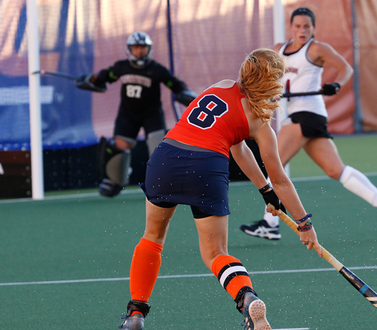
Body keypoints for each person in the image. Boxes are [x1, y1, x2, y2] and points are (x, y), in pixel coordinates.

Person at [117, 48, 323, 330]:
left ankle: (135, 316)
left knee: (152, 238)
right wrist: (304, 223)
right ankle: (247, 297)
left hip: (166, 158)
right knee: (215, 253)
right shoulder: (260, 124)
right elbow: (281, 179)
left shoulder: (221, 86)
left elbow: (238, 148)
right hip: (205, 167)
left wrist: (265, 192)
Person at [240, 7, 377, 240]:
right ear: (291, 27)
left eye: (307, 26)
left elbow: (346, 69)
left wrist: (336, 84)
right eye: (298, 26)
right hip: (296, 115)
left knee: (275, 163)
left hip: (308, 114)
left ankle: (270, 223)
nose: (302, 31)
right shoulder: (278, 50)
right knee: (336, 170)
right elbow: (270, 77)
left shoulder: (317, 48)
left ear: (313, 28)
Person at [74, 31, 197, 197]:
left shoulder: (157, 70)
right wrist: (92, 79)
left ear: (149, 49)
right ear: (129, 49)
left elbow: (175, 84)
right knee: (120, 147)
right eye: (136, 48)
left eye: (143, 48)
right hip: (128, 115)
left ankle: (165, 184)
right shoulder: (121, 67)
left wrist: (185, 92)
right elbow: (105, 76)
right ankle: (115, 181)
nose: (139, 51)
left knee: (158, 148)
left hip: (152, 115)